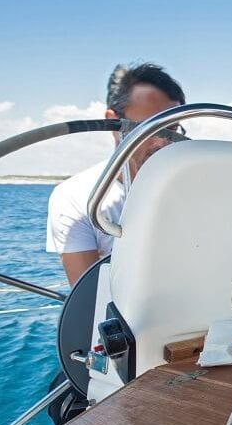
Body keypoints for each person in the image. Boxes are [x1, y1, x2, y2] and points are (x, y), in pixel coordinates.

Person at [46, 62, 186, 286]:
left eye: (172, 129)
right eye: (149, 127)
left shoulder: (194, 189)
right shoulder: (75, 197)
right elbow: (87, 297)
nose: (162, 141)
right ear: (113, 122)